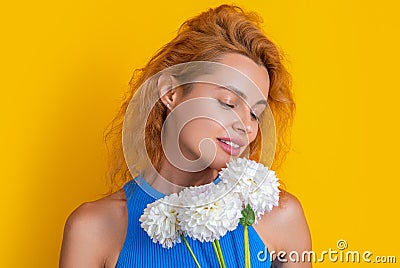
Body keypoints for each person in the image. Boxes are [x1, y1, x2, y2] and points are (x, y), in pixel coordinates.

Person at [59, 4, 312, 268]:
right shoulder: (94, 229)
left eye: (255, 115)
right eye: (228, 102)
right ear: (171, 92)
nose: (246, 127)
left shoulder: (279, 217)